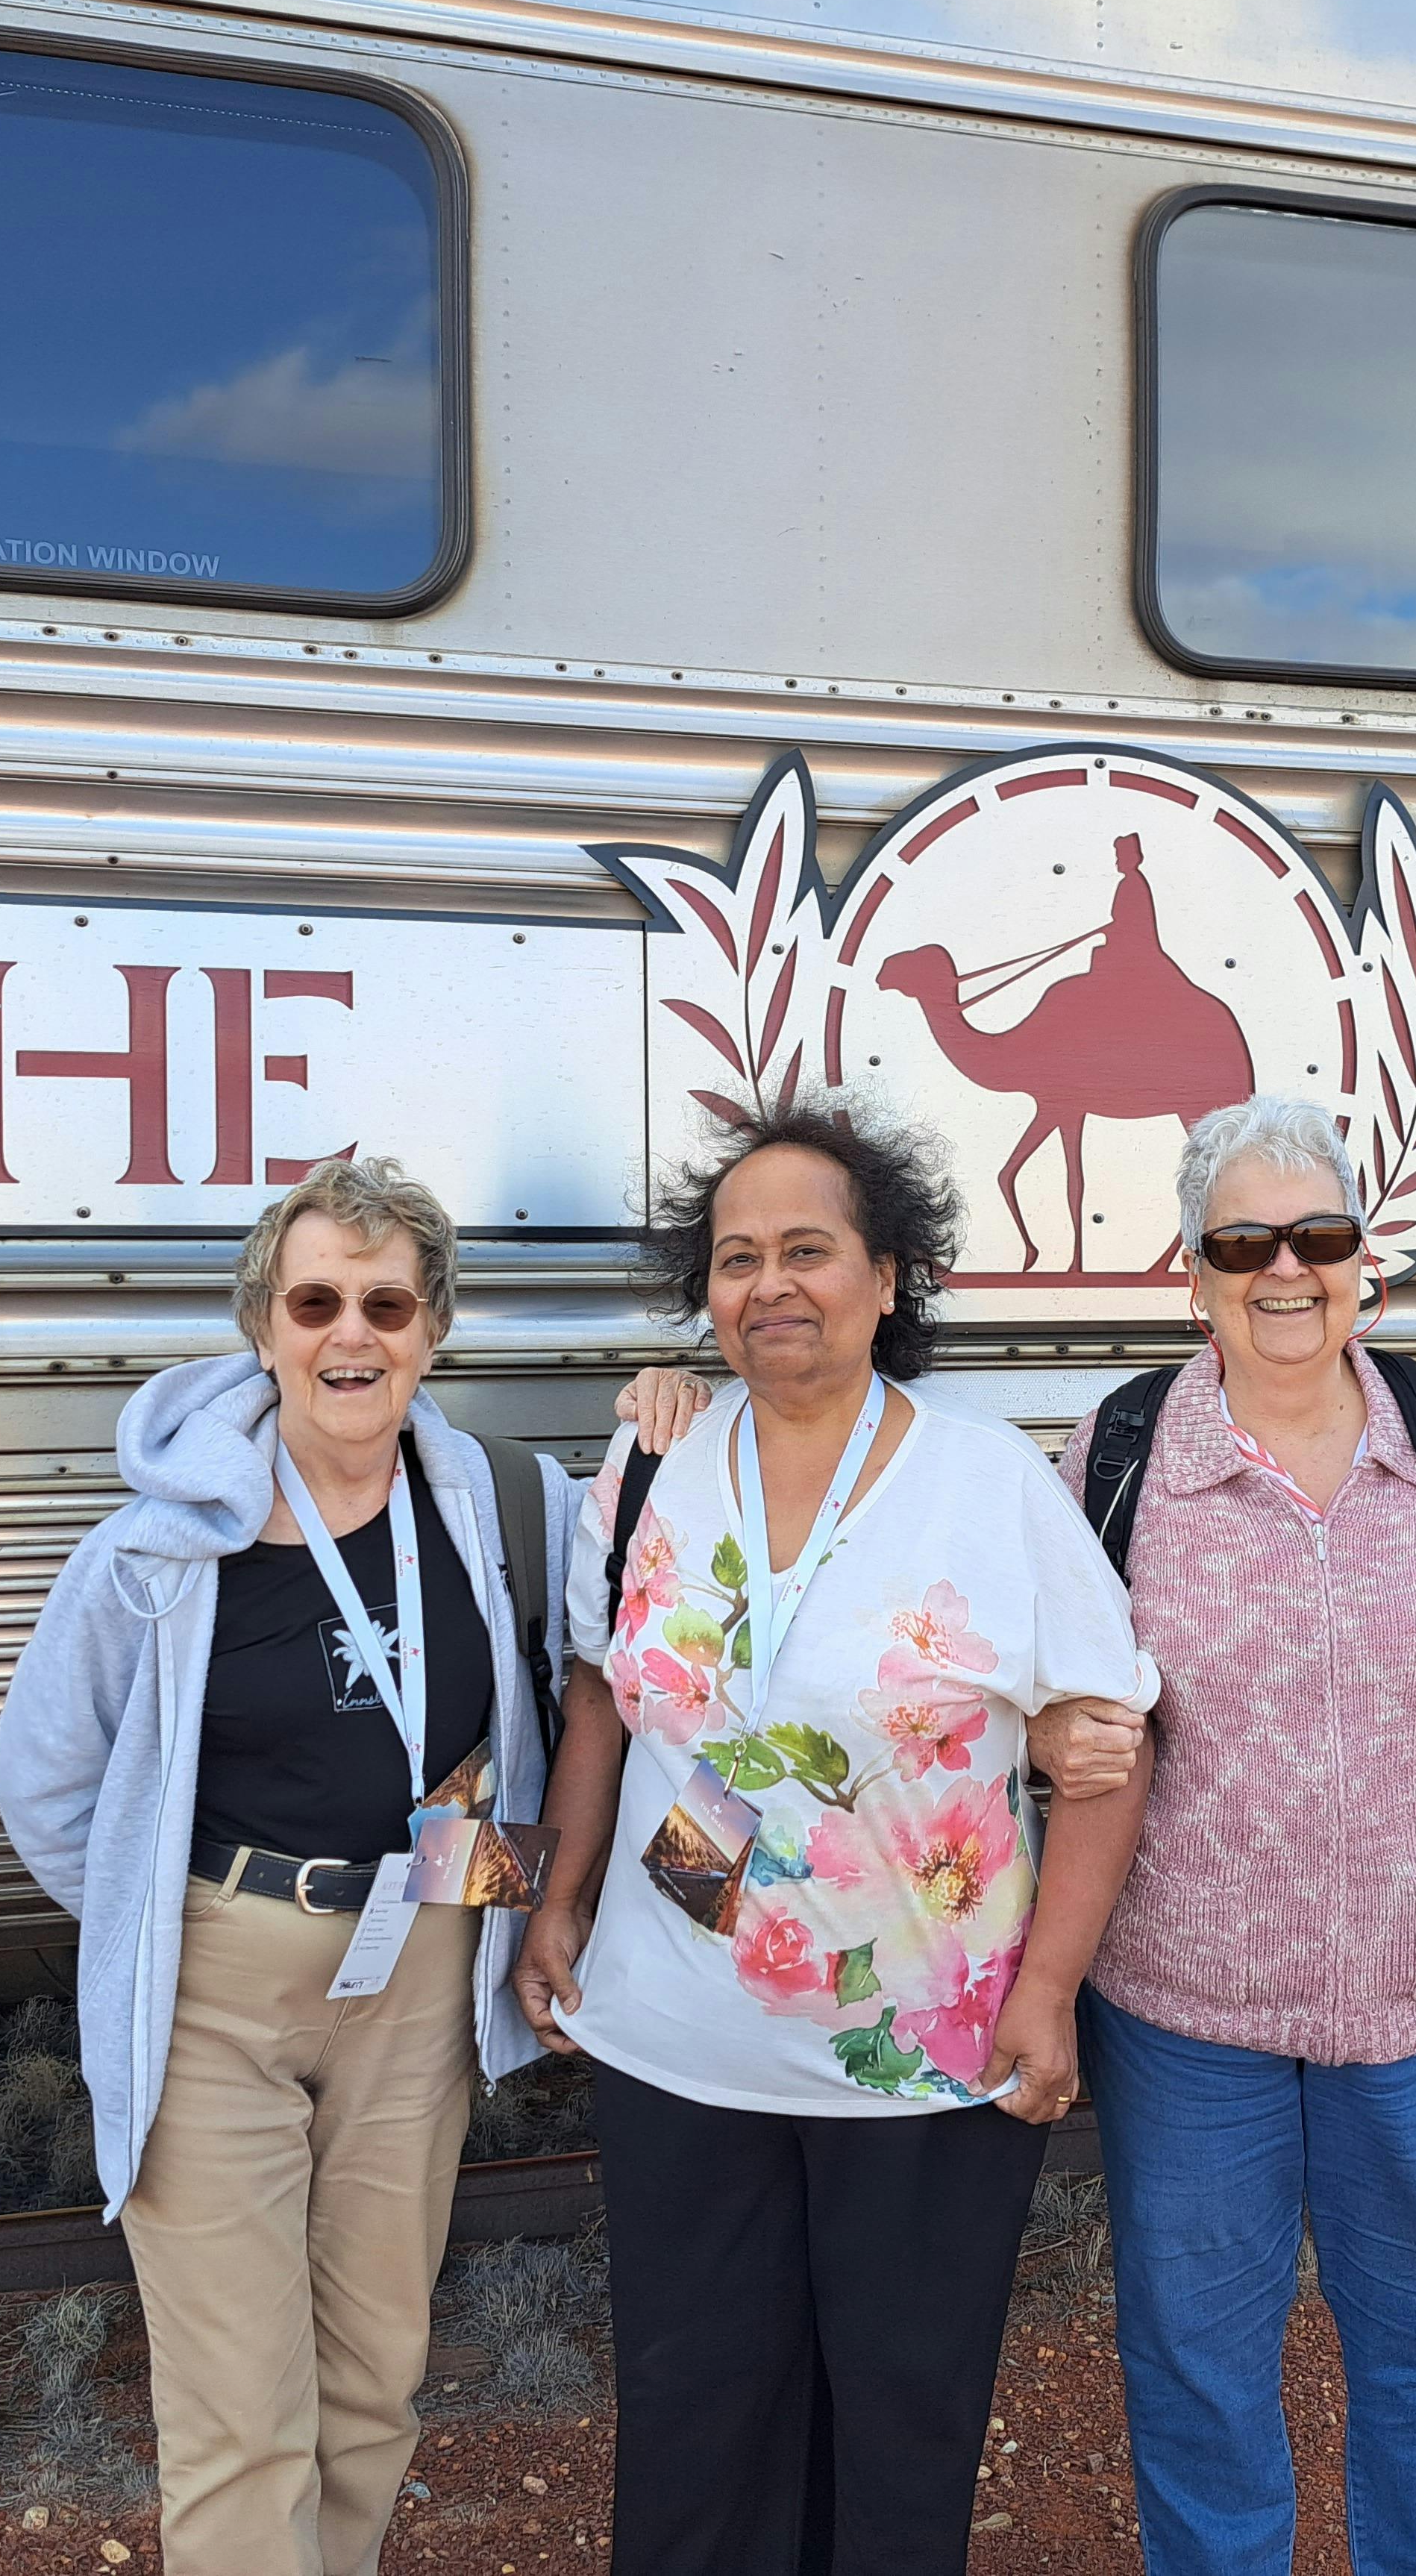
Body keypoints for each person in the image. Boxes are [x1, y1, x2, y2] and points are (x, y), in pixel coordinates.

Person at [516, 1100, 1160, 2576]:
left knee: (901, 2430)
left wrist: (1050, 1990)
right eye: (737, 1258)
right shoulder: (647, 1471)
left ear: (887, 1276)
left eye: (807, 1249)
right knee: (691, 2421)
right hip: (675, 2044)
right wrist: (557, 1898)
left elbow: (1107, 1755)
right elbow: (602, 1700)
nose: (770, 1285)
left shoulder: (988, 1483)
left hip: (923, 2068)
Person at [0, 1154, 577, 2576]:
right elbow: (51, 1781)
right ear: (264, 1325)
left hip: (422, 1969)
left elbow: (573, 1709)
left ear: (434, 1326)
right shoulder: (156, 1550)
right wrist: (165, 1918)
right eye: (317, 1301)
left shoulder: (507, 1513)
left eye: (388, 1302)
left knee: (375, 2377)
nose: (352, 1335)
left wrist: (492, 1925)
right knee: (239, 2410)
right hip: (217, 1986)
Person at [1057, 1093, 1416, 2576]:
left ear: (1364, 1259)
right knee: (1196, 2373)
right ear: (1191, 1271)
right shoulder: (1117, 1463)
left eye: (1318, 1234)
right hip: (1188, 2019)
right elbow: (1060, 1707)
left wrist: (1415, 1812)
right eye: (1244, 1239)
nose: (1282, 1268)